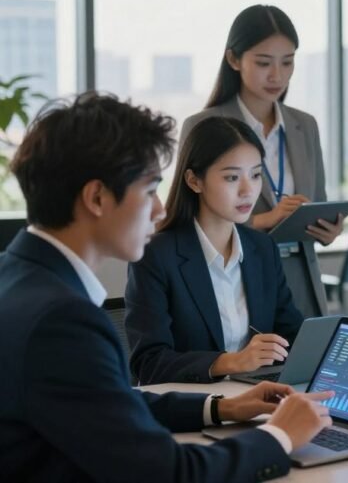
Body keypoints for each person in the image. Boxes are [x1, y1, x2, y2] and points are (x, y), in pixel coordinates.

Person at [0, 92, 331, 481]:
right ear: (96, 197)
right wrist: (279, 436)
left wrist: (223, 407)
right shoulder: (62, 320)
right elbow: (169, 474)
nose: (159, 210)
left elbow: (112, 407)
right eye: (149, 188)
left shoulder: (18, 277)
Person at [126, 116, 305, 385]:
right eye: (232, 177)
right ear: (194, 181)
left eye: (256, 175)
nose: (248, 190)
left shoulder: (262, 248)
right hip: (192, 406)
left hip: (257, 396)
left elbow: (292, 335)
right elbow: (149, 363)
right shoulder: (157, 255)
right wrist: (232, 361)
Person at [180, 4, 341, 244]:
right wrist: (263, 220)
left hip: (299, 276)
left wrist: (328, 230)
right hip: (235, 273)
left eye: (287, 62)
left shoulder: (305, 126)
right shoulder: (202, 126)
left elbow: (317, 202)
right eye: (264, 63)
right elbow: (188, 218)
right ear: (234, 59)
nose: (277, 75)